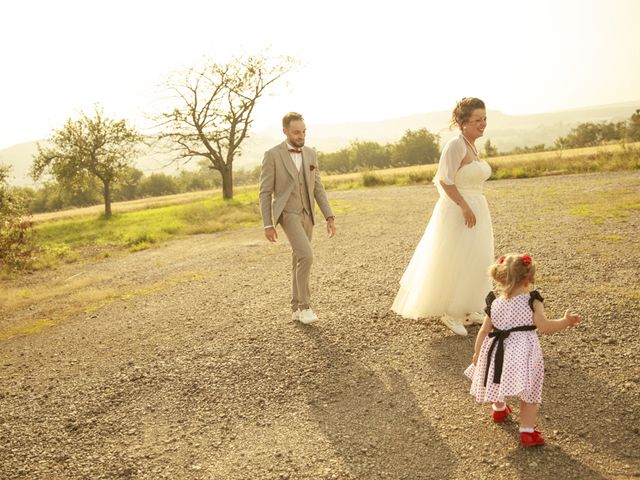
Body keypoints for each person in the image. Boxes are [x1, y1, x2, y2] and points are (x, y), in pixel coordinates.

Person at [391, 97, 494, 336]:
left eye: (485, 119)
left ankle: (469, 308)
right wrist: (464, 206)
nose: (483, 124)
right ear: (463, 122)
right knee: (457, 258)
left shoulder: (472, 145)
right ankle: (451, 312)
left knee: (477, 257)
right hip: (459, 209)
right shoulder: (456, 145)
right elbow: (444, 180)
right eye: (478, 120)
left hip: (477, 206)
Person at [464, 254, 582, 447]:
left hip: (497, 349)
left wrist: (478, 353)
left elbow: (485, 330)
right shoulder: (532, 301)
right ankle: (527, 432)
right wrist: (566, 321)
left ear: (500, 278)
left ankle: (499, 408)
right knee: (529, 392)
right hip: (523, 353)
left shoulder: (494, 303)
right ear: (528, 279)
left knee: (496, 380)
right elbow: (544, 326)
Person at [259, 112, 336, 324]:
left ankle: (294, 307)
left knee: (298, 258)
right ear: (285, 131)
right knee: (306, 256)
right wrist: (268, 223)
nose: (301, 136)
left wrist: (329, 216)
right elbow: (265, 192)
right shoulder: (272, 155)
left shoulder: (311, 154)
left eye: (304, 131)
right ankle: (305, 307)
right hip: (288, 213)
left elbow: (317, 187)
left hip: (307, 213)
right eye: (296, 132)